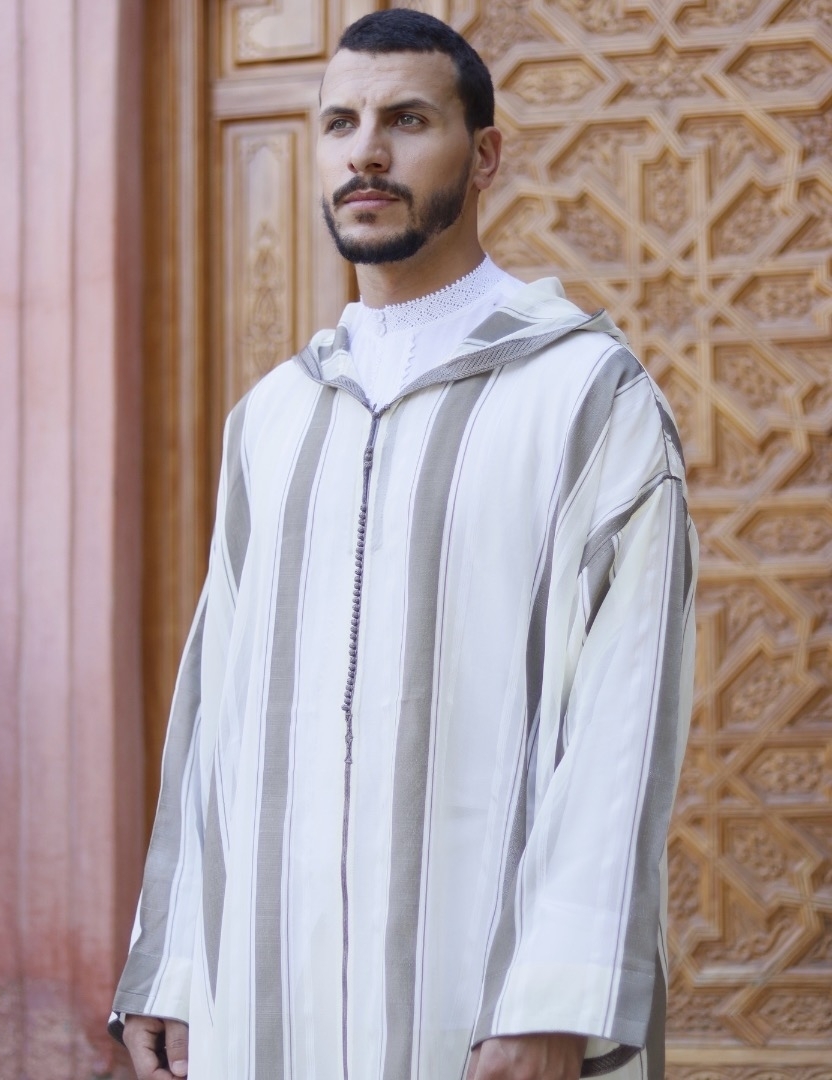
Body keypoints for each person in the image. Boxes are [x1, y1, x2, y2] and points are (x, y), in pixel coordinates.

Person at [111, 9, 697, 1080]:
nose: (366, 152)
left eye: (407, 120)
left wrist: (556, 998)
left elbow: (628, 715)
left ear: (485, 156)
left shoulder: (586, 397)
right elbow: (218, 713)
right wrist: (180, 963)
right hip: (269, 999)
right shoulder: (276, 417)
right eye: (340, 122)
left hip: (483, 1003)